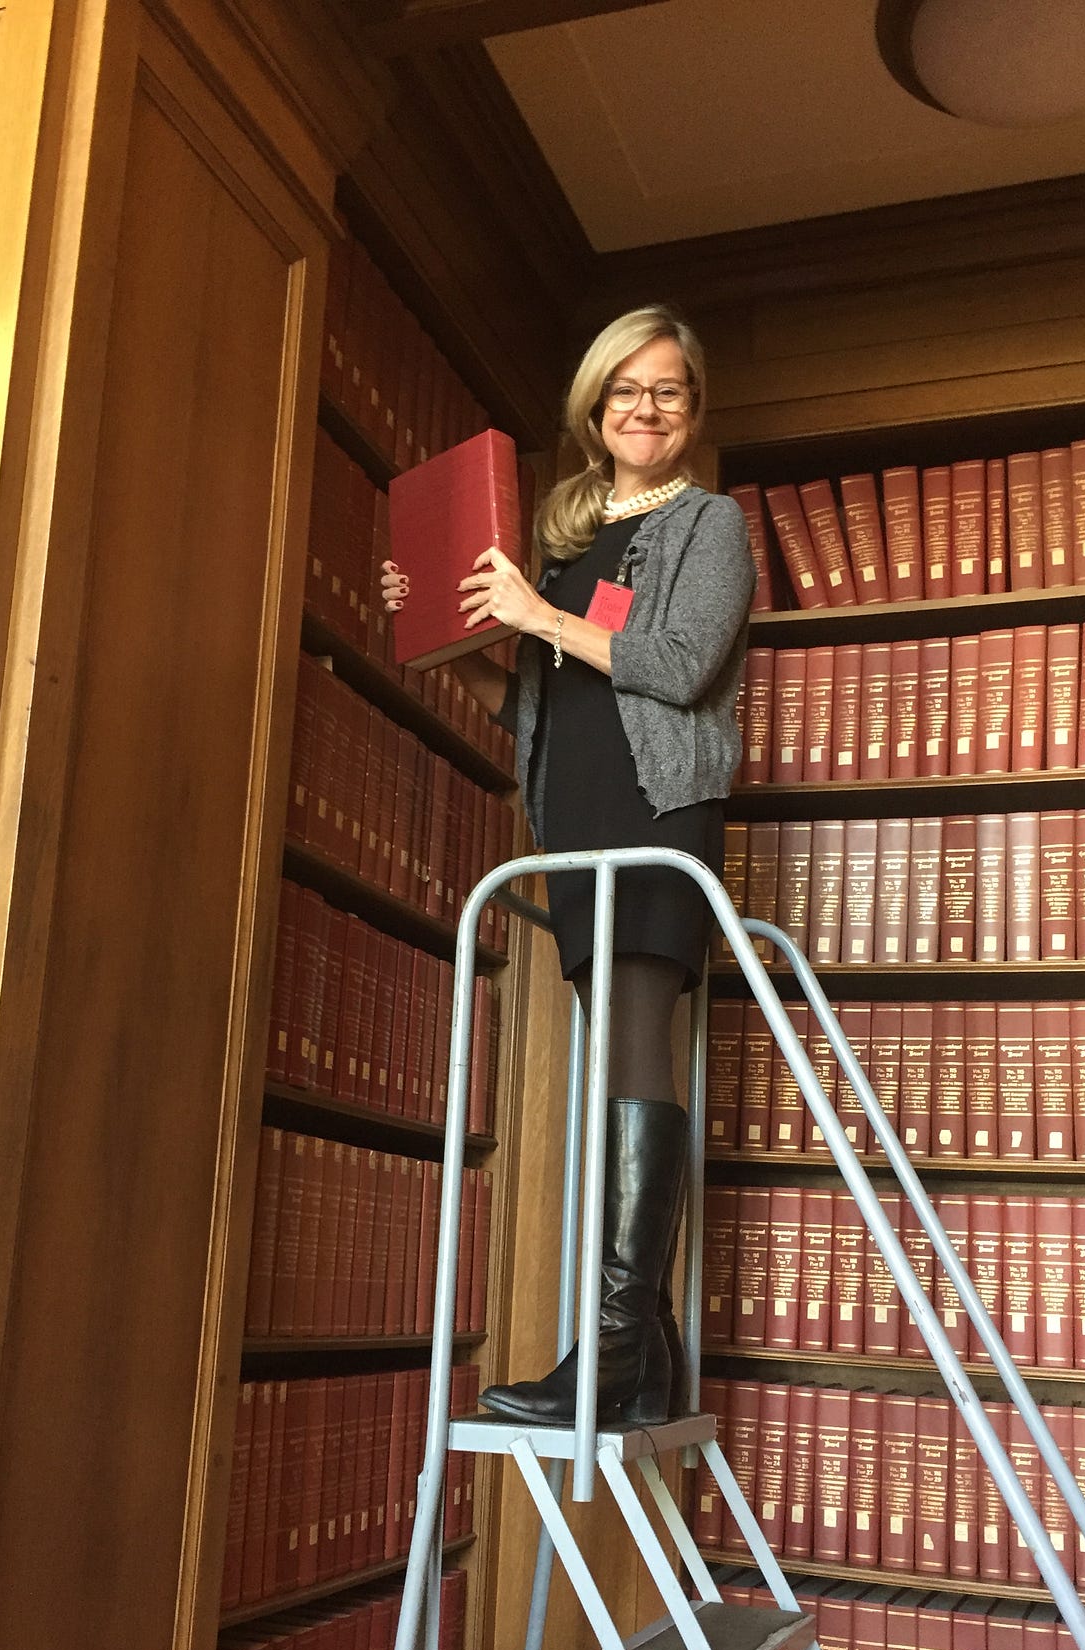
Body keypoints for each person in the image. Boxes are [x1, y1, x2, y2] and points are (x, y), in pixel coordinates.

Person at [380, 303, 755, 1428]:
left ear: (692, 412)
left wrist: (538, 610)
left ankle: (610, 1358)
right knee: (613, 1064)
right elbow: (533, 707)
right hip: (573, 818)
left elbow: (681, 667)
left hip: (658, 812)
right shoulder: (563, 530)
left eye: (669, 392)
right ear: (595, 406)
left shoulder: (712, 525)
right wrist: (439, 644)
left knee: (637, 1054)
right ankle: (654, 1354)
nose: (645, 410)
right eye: (625, 390)